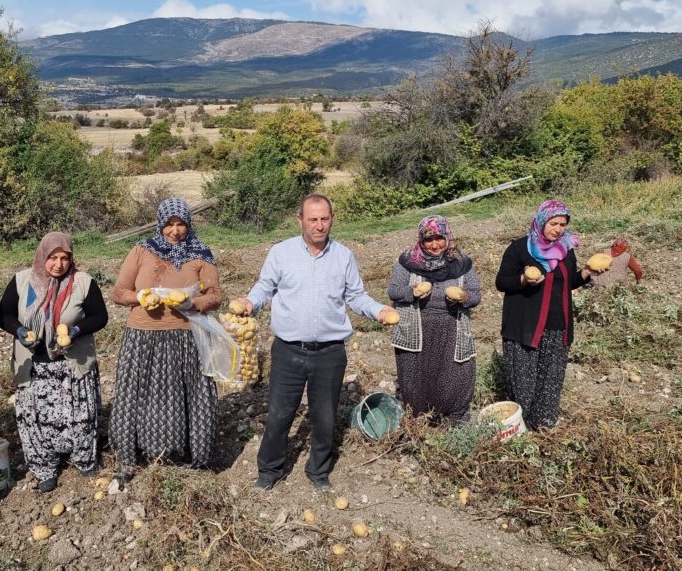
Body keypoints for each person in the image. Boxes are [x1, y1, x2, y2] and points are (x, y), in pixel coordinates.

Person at [232, 194, 395, 492]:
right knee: (280, 414)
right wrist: (249, 303)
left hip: (330, 353)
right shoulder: (281, 253)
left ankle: (318, 471)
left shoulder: (343, 256)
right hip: (288, 350)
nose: (319, 226)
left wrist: (379, 310)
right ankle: (269, 470)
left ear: (332, 218)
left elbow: (355, 296)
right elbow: (264, 288)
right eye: (313, 219)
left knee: (324, 417)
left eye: (325, 219)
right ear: (300, 220)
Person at [110, 198, 222, 482]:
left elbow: (216, 296)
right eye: (169, 224)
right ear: (160, 224)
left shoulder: (201, 254)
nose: (175, 231)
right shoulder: (142, 251)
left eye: (181, 224)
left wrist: (192, 302)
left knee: (190, 395)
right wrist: (140, 297)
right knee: (136, 395)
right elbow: (119, 292)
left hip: (187, 336)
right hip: (142, 335)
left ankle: (192, 457)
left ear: (188, 224)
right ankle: (130, 455)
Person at [0, 232, 108, 492]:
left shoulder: (83, 282)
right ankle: (44, 467)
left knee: (81, 415)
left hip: (71, 362)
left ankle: (84, 460)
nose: (58, 264)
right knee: (34, 419)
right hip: (34, 365)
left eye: (64, 258)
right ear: (41, 256)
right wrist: (20, 331)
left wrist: (76, 331)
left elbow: (100, 317)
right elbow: (4, 314)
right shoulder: (23, 281)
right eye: (52, 258)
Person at [495, 200, 599, 431]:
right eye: (554, 223)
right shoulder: (520, 248)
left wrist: (587, 273)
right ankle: (519, 430)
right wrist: (523, 279)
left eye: (563, 224)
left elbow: (569, 282)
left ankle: (544, 428)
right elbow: (501, 282)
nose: (559, 229)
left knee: (550, 380)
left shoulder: (565, 250)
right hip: (525, 327)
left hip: (557, 326)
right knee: (523, 381)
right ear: (541, 221)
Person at [387, 216, 481, 424]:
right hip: (417, 329)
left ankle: (453, 420)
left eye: (439, 238)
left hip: (452, 329)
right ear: (421, 240)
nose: (434, 244)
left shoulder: (462, 263)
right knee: (416, 378)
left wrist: (463, 296)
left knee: (457, 375)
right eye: (428, 240)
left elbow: (476, 295)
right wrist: (412, 292)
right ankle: (420, 422)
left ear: (447, 237)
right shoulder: (408, 262)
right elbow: (393, 290)